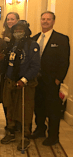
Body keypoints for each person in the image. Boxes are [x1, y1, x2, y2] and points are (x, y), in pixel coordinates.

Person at [31, 11, 70, 146]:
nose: (45, 21)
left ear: (53, 21)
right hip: (36, 80)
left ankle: (54, 136)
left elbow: (65, 61)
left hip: (52, 81)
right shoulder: (34, 38)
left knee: (52, 109)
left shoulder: (61, 39)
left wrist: (59, 78)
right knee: (39, 106)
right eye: (43, 19)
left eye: (48, 19)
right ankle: (40, 129)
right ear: (40, 20)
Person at [0, 20, 40, 151]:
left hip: (25, 84)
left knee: (25, 110)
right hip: (10, 81)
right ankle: (10, 132)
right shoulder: (11, 44)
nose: (18, 33)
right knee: (10, 107)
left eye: (21, 30)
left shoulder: (32, 44)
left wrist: (24, 79)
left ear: (26, 31)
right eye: (16, 31)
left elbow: (35, 66)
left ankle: (25, 136)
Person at [1, 12, 20, 130]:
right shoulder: (4, 35)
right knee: (6, 100)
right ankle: (9, 123)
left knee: (16, 101)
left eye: (12, 19)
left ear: (17, 20)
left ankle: (17, 124)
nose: (10, 21)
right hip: (5, 72)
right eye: (8, 19)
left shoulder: (21, 36)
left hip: (17, 72)